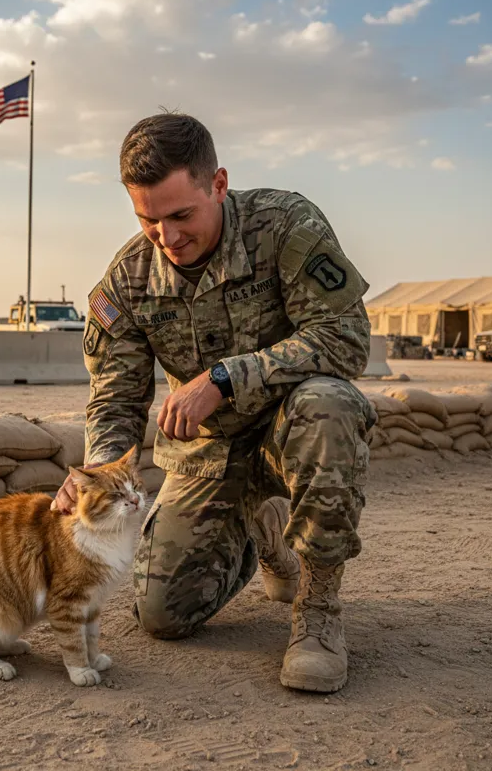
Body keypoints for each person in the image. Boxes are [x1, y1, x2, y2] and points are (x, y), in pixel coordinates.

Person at [52, 112, 376, 694]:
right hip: (213, 455)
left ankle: (318, 612)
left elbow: (346, 337)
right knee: (162, 616)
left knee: (331, 404)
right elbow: (114, 399)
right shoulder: (127, 280)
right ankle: (264, 535)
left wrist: (225, 378)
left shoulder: (285, 226)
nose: (167, 238)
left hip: (290, 427)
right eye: (148, 220)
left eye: (181, 216)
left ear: (218, 185)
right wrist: (98, 470)